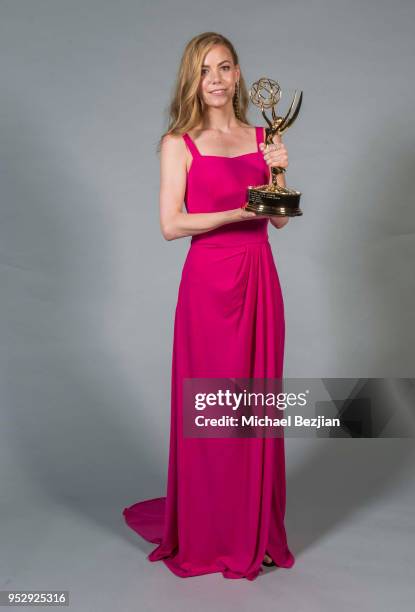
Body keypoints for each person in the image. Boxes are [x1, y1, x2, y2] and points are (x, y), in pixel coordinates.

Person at [122, 31, 296, 581]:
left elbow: (281, 219)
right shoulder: (180, 142)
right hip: (208, 282)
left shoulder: (264, 134)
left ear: (240, 74)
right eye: (204, 71)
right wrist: (234, 213)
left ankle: (255, 531)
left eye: (224, 68)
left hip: (259, 277)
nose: (216, 80)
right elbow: (171, 225)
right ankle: (209, 531)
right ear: (192, 80)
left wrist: (280, 168)